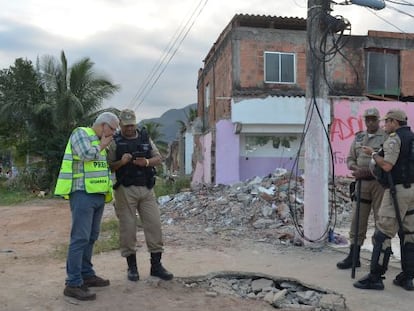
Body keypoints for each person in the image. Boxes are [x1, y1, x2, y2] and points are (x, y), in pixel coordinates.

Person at [54, 112, 119, 301]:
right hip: (82, 193)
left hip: (97, 194)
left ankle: (86, 274)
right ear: (104, 125)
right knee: (80, 238)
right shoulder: (81, 133)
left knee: (91, 237)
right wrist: (102, 145)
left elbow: (100, 166)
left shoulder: (100, 141)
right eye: (112, 129)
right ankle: (73, 283)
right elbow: (86, 155)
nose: (113, 133)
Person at [107, 109, 173, 282]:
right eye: (126, 125)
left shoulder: (145, 138)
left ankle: (156, 266)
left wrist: (146, 162)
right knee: (128, 229)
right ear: (120, 124)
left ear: (135, 123)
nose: (129, 128)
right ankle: (132, 267)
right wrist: (121, 162)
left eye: (132, 125)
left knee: (154, 225)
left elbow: (159, 158)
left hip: (146, 188)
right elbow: (109, 166)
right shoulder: (115, 141)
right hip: (125, 190)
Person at [354, 108, 414, 291]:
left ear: (395, 122)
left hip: (397, 191)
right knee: (409, 234)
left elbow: (387, 165)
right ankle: (408, 277)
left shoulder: (394, 139)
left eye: (387, 121)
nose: (384, 124)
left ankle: (375, 277)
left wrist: (373, 154)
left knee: (382, 234)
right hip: (412, 190)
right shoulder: (412, 138)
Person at [337, 107, 387, 269]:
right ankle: (354, 256)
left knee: (381, 219)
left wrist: (372, 169)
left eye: (373, 119)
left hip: (379, 183)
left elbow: (389, 160)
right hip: (361, 183)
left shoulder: (386, 137)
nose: (370, 122)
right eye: (368, 119)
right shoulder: (359, 137)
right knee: (357, 220)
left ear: (378, 120)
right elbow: (351, 158)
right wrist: (355, 169)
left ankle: (378, 259)